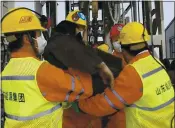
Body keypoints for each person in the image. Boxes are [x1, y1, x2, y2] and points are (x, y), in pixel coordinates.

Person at [1, 7, 94, 128]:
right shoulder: (41, 71)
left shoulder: (6, 72)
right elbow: (84, 90)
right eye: (39, 34)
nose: (42, 39)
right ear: (26, 39)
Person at [78, 22, 175, 128]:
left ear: (124, 48)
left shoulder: (134, 72)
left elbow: (106, 104)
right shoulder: (156, 62)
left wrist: (81, 104)